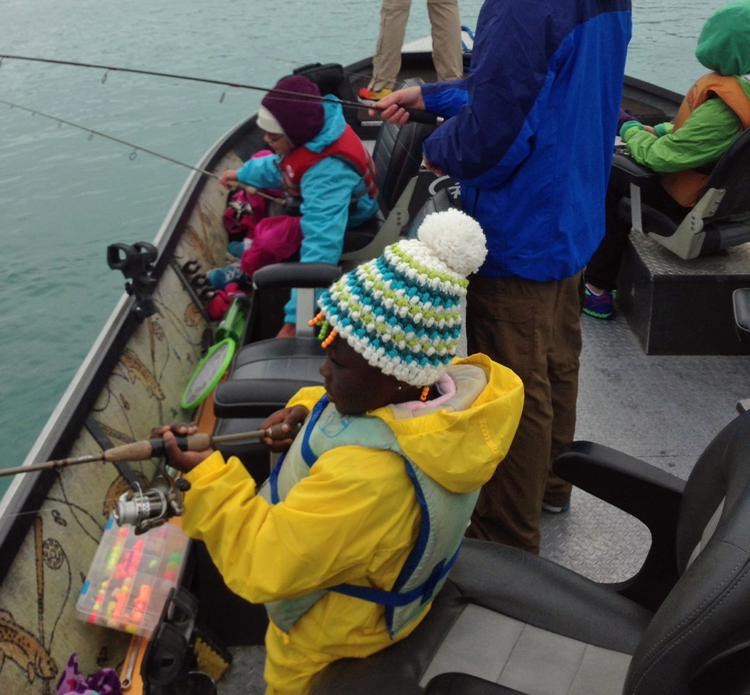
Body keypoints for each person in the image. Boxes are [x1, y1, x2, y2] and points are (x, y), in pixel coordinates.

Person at [374, 0, 640, 553]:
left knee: (511, 387)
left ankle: (508, 543)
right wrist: (431, 96)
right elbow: (529, 90)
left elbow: (495, 131)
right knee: (557, 364)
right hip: (574, 216)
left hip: (521, 229)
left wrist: (439, 150)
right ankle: (553, 491)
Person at [157, 209, 524, 695]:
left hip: (331, 639)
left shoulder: (370, 479)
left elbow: (265, 564)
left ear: (394, 373)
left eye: (335, 360)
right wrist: (305, 411)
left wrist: (205, 477)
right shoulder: (433, 399)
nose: (322, 375)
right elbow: (361, 413)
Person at [584, 0, 750, 319]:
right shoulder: (740, 94)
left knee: (613, 172)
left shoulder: (721, 109)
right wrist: (658, 128)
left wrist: (630, 128)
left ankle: (597, 286)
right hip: (731, 207)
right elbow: (696, 136)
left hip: (686, 206)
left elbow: (660, 159)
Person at [209, 75, 379, 336]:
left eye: (274, 136)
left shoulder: (328, 172)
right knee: (261, 158)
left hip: (348, 217)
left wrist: (294, 321)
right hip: (318, 194)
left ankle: (244, 269)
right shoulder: (312, 133)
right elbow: (281, 165)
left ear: (294, 135)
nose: (266, 138)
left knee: (270, 236)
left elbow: (321, 246)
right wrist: (242, 174)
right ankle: (247, 251)